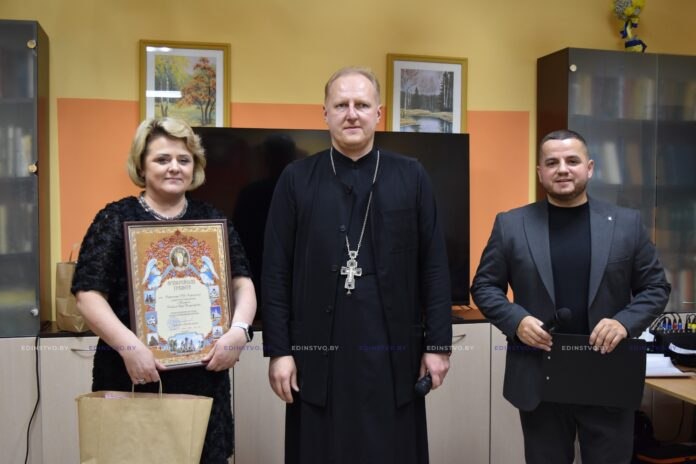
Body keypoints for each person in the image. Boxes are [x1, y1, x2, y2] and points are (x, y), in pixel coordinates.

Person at [262, 66, 452, 463]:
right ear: (325, 114)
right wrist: (279, 351)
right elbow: (276, 271)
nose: (352, 114)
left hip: (392, 352)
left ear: (378, 114)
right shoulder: (296, 178)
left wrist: (437, 346)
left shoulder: (411, 175)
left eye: (362, 105)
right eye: (341, 105)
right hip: (317, 352)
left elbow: (434, 267)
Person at [471, 129, 670, 463]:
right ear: (540, 172)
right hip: (540, 376)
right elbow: (484, 286)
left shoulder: (626, 224)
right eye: (552, 163)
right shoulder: (511, 225)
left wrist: (624, 323)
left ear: (589, 168)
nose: (562, 169)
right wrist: (516, 321)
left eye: (572, 161)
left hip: (608, 372)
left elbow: (656, 287)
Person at [71, 117, 256, 464]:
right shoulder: (114, 218)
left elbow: (242, 282)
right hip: (133, 373)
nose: (174, 167)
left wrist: (238, 332)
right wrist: (130, 347)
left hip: (204, 379)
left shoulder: (211, 219)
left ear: (195, 167)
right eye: (162, 159)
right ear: (141, 165)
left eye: (183, 160)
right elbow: (87, 293)